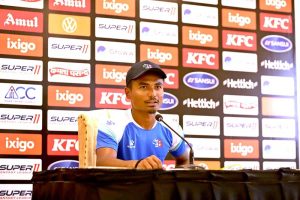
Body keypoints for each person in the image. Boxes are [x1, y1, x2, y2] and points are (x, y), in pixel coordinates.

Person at [96, 60, 189, 169]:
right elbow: (104, 162)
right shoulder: (112, 124)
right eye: (144, 87)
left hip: (155, 185)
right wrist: (137, 165)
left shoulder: (171, 127)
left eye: (158, 87)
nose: (153, 94)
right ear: (128, 93)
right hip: (122, 185)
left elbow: (185, 160)